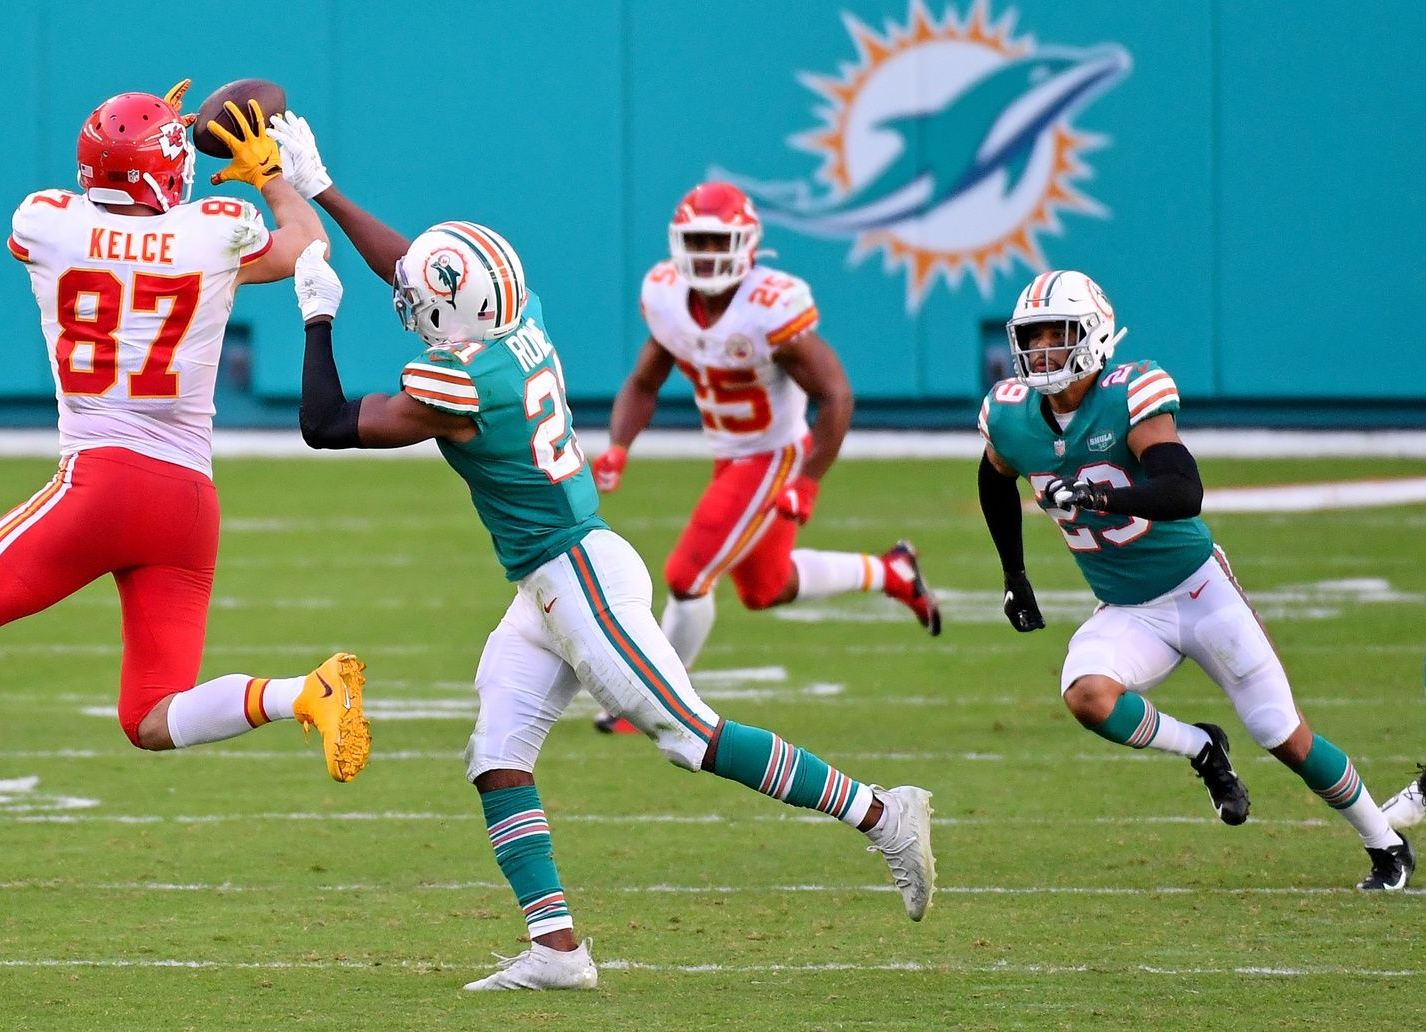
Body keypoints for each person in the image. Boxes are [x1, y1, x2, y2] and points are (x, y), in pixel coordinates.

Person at [266, 111, 936, 991]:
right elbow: (417, 271)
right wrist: (320, 189)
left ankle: (883, 813)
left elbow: (322, 422)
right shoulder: (516, 314)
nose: (406, 303)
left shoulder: (461, 384)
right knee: (495, 754)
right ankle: (557, 952)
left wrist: (315, 316)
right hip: (546, 580)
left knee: (687, 736)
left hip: (577, 574)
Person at [0, 84, 371, 849]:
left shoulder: (44, 222)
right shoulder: (216, 234)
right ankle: (305, 694)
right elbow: (301, 245)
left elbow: (114, 215)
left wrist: (145, 139)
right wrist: (269, 175)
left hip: (103, 481)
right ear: (169, 172)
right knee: (150, 716)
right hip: (186, 500)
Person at [975, 269, 1414, 891]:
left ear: (1095, 337)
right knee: (1086, 695)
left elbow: (1183, 491)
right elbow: (995, 478)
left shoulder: (1130, 392)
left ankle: (1385, 842)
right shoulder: (1013, 416)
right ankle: (1201, 748)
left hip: (1198, 589)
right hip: (1128, 607)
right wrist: (1014, 573)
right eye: (1033, 336)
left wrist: (1101, 495)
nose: (1043, 350)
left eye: (1058, 333)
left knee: (1279, 732)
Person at [587, 184, 937, 736]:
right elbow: (644, 381)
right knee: (764, 586)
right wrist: (618, 445)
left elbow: (837, 395)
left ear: (747, 244)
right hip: (730, 456)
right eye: (696, 242)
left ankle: (656, 699)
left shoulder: (768, 307)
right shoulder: (667, 297)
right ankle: (890, 571)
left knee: (687, 574)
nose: (705, 255)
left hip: (773, 454)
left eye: (716, 241)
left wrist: (809, 480)